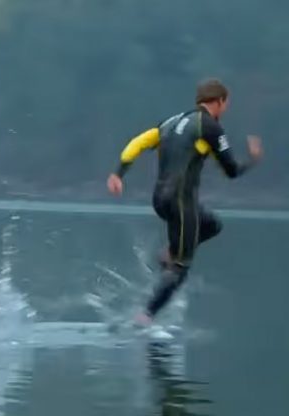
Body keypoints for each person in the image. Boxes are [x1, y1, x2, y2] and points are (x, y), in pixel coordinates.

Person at [106, 78, 263, 325]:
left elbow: (137, 143)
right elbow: (231, 170)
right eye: (226, 103)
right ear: (220, 101)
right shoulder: (209, 127)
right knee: (181, 268)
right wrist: (253, 159)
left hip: (160, 200)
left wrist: (118, 173)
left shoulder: (171, 122)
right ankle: (145, 317)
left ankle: (169, 253)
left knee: (212, 224)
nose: (226, 108)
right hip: (181, 202)